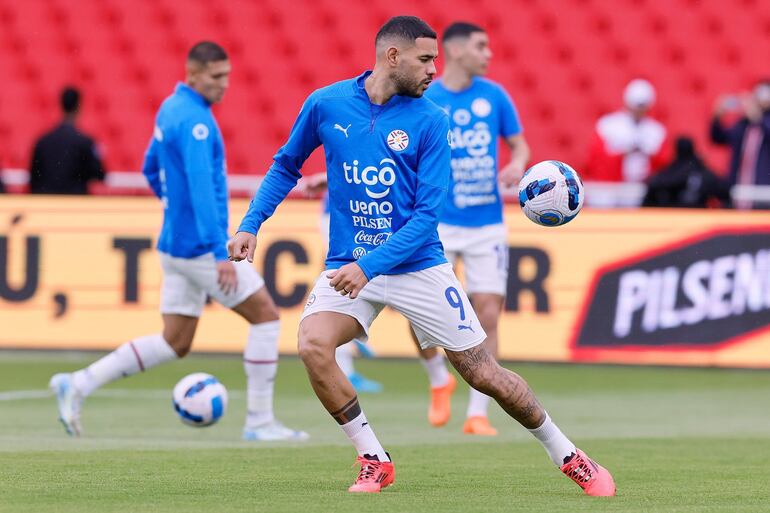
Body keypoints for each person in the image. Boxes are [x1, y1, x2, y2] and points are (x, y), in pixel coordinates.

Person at [228, 16, 615, 495]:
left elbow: (427, 218)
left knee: (482, 373)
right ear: (392, 57)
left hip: (417, 266)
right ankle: (373, 458)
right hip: (350, 263)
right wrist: (250, 224)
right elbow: (285, 165)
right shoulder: (326, 104)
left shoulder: (431, 119)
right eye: (426, 59)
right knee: (312, 345)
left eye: (435, 58)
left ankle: (569, 455)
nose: (435, 69)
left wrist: (367, 266)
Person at [49, 42, 308, 442]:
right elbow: (203, 190)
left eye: (227, 76)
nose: (224, 85)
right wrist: (216, 250)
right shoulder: (197, 122)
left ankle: (78, 383)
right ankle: (259, 422)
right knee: (266, 317)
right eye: (216, 77)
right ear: (194, 74)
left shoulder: (171, 108)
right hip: (200, 250)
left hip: (175, 245)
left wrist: (174, 208)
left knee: (176, 340)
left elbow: (149, 168)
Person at [412, 21, 530, 436]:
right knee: (422, 315)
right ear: (457, 51)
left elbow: (518, 144)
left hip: (486, 223)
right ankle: (438, 380)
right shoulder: (428, 97)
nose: (489, 54)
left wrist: (517, 163)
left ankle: (477, 412)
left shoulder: (495, 96)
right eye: (482, 46)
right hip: (437, 221)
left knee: (489, 313)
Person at [303, 172, 383, 394]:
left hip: (359, 210)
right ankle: (347, 361)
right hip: (346, 212)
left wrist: (326, 177)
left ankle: (351, 337)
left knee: (350, 279)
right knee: (342, 281)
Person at [584, 78, 670, 206]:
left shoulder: (656, 131)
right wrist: (623, 154)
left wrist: (647, 155)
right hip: (609, 189)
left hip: (641, 188)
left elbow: (664, 163)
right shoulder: (608, 126)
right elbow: (595, 159)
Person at [29, 86, 105, 194]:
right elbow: (100, 174)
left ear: (61, 105)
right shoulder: (85, 142)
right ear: (78, 106)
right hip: (75, 205)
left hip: (47, 205)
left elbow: (34, 178)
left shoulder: (43, 141)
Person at [710, 79, 770, 209]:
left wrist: (758, 117)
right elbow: (718, 138)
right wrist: (717, 117)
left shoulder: (763, 121)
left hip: (764, 190)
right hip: (740, 186)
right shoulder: (743, 124)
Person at [642, 136, 732, 208]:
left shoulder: (667, 174)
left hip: (679, 218)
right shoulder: (702, 172)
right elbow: (724, 190)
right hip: (695, 219)